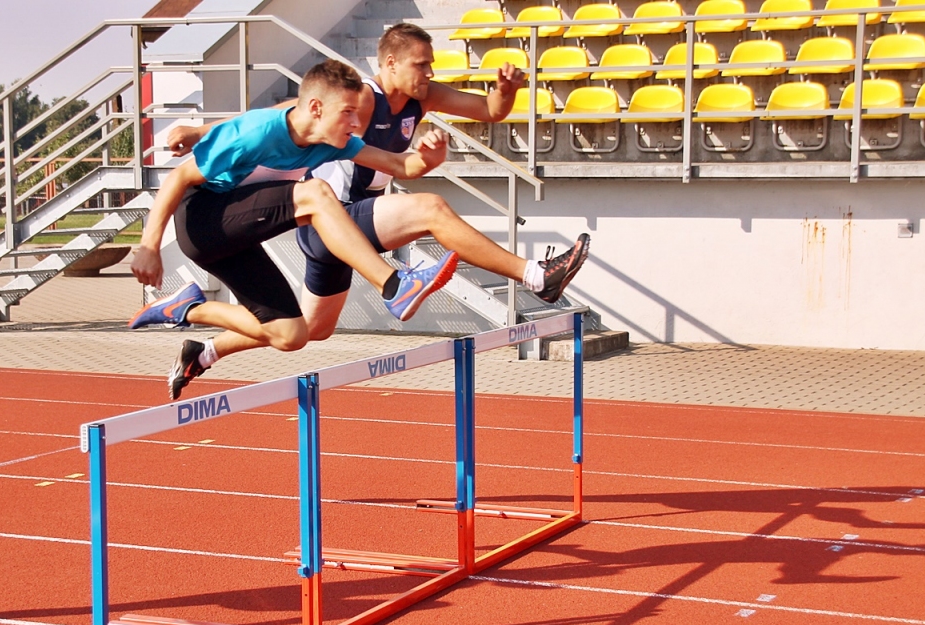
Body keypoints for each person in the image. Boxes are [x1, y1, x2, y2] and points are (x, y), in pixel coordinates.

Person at [165, 23, 590, 399]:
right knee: (432, 210)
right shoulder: (363, 97)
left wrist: (506, 91)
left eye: (431, 65)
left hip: (346, 226)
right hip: (328, 216)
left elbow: (488, 111)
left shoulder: (423, 99)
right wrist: (201, 130)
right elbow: (280, 113)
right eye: (421, 65)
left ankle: (203, 351)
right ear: (390, 63)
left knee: (308, 330)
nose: (429, 74)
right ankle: (536, 276)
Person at [129, 59, 458, 400]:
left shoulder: (332, 141)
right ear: (316, 108)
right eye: (348, 112)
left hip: (239, 240)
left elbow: (397, 164)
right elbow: (178, 177)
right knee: (314, 193)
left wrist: (428, 159)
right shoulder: (258, 132)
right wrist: (149, 247)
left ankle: (185, 309)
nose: (357, 123)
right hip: (203, 221)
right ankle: (393, 285)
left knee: (292, 335)